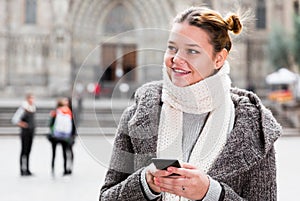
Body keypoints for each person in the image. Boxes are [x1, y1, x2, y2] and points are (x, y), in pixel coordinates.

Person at [100, 6, 282, 201]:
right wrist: (145, 183)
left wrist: (211, 193)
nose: (176, 59)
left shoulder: (254, 127)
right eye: (172, 47)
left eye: (192, 51)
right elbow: (106, 197)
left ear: (219, 58)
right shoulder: (137, 114)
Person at [48, 97, 74, 176]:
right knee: (64, 153)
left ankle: (54, 169)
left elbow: (51, 124)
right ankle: (64, 169)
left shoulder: (56, 112)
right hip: (64, 135)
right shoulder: (68, 112)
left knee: (56, 153)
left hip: (56, 135)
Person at [12, 93, 36, 176]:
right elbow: (15, 119)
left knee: (28, 150)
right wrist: (23, 124)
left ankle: (27, 168)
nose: (32, 100)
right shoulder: (23, 108)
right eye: (31, 98)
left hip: (31, 132)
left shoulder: (32, 108)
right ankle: (22, 169)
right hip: (25, 132)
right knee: (24, 150)